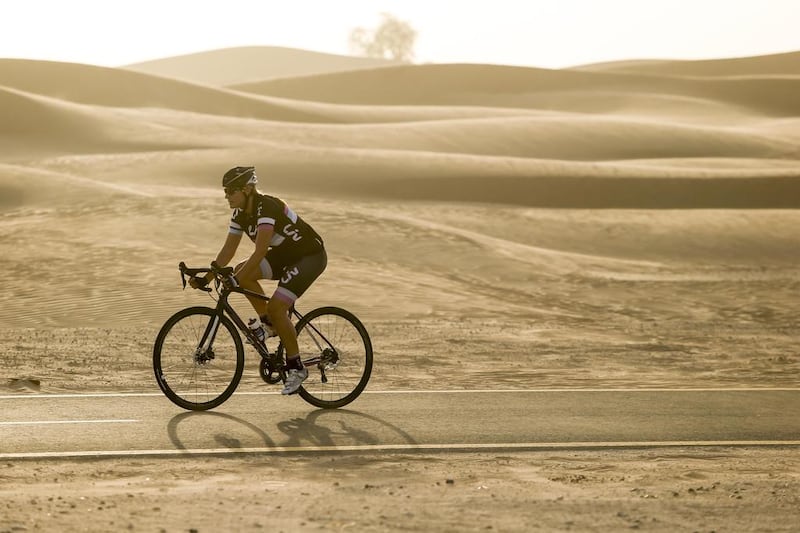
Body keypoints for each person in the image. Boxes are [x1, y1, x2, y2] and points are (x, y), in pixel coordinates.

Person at [190, 166, 326, 395]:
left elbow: (260, 251)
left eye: (230, 191)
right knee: (242, 271)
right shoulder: (240, 215)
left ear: (246, 189)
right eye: (225, 191)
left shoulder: (267, 207)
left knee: (276, 306)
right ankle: (270, 324)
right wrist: (208, 277)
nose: (226, 196)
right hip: (286, 255)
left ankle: (296, 367)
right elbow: (228, 251)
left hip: (309, 256)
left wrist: (236, 280)